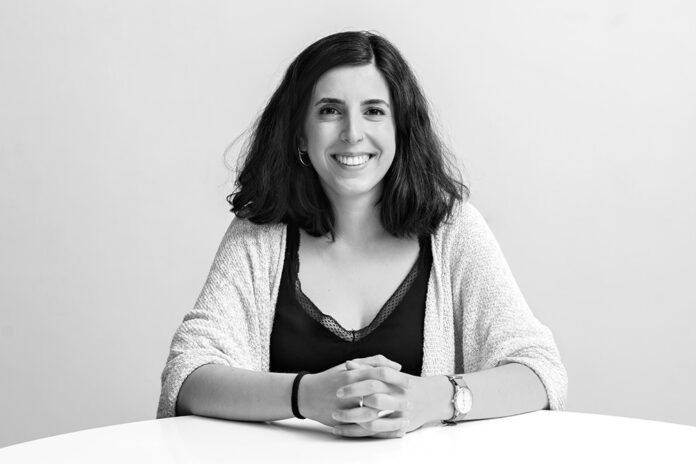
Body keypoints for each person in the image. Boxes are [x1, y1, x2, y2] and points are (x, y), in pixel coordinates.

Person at [156, 30, 567, 439]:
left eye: (373, 111)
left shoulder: (454, 230)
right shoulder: (257, 236)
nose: (352, 133)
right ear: (300, 133)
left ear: (400, 128)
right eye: (330, 111)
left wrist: (430, 398)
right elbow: (186, 374)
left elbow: (539, 369)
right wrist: (305, 395)